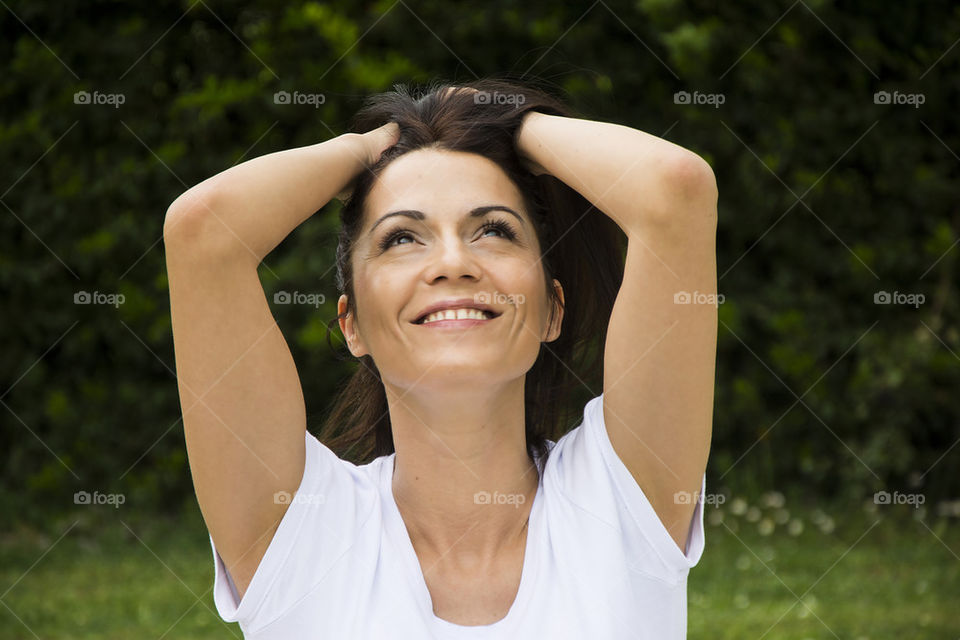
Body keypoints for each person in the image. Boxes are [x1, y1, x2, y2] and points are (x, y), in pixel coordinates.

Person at [163, 77, 718, 639]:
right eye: (402, 238)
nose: (453, 262)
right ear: (351, 323)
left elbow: (673, 188)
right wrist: (361, 150)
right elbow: (205, 233)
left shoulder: (619, 503)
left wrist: (504, 125)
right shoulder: (302, 532)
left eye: (493, 230)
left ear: (552, 310)